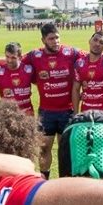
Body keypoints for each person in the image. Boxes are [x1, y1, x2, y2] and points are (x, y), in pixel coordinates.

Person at [22, 23, 85, 179]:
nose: (55, 41)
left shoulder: (72, 53)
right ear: (43, 40)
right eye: (51, 39)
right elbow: (14, 62)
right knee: (44, 149)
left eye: (57, 37)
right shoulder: (34, 56)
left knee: (66, 150)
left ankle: (65, 181)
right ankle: (44, 180)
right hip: (46, 112)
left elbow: (94, 58)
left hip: (67, 111)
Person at [72, 30, 103, 115]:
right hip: (86, 112)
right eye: (95, 40)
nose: (97, 44)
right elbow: (76, 89)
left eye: (102, 42)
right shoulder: (79, 64)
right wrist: (76, 113)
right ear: (89, 41)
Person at [0, 42, 34, 115]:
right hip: (8, 116)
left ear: (20, 57)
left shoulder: (29, 70)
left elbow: (39, 83)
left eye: (13, 57)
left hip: (27, 115)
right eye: (7, 57)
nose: (9, 60)